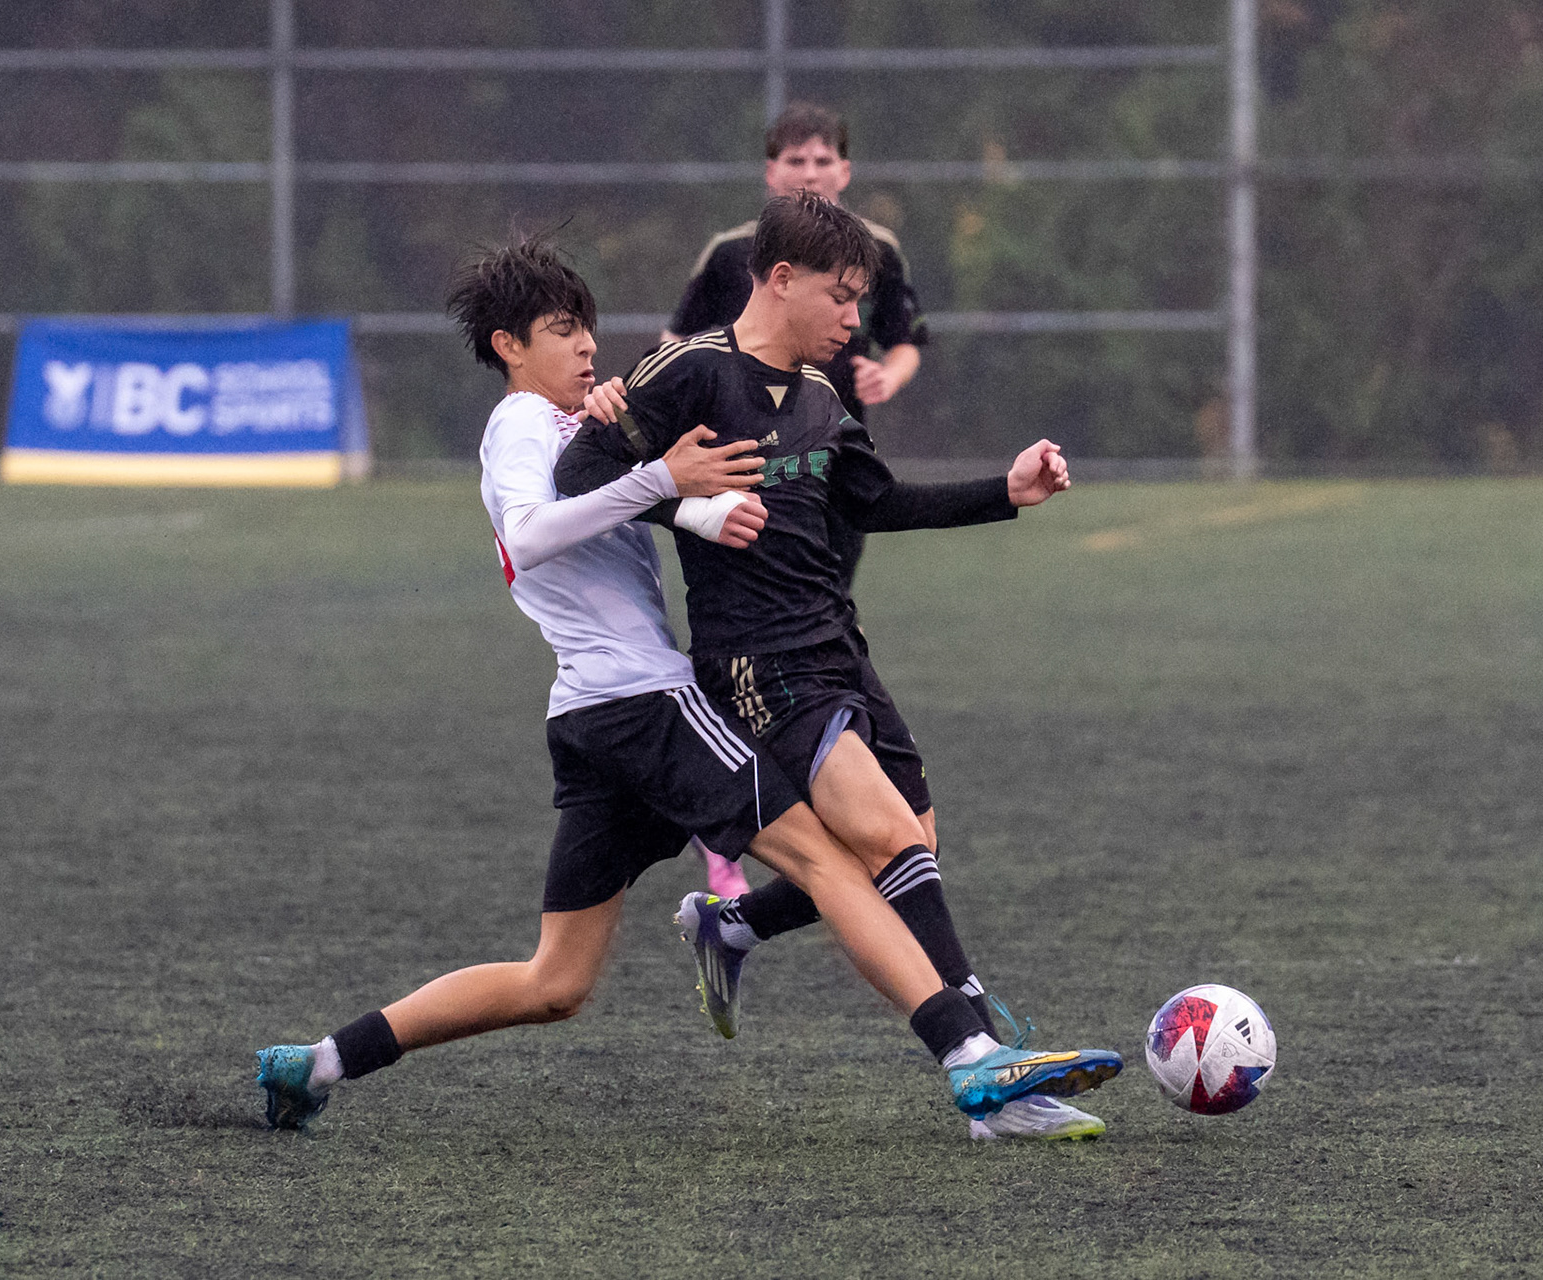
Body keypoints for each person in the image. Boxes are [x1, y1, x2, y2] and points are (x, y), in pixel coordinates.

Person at [251, 234, 1120, 1133]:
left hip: (593, 715)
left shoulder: (576, 419)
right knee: (831, 859)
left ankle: (317, 1062)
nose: (587, 345)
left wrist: (671, 488)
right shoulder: (519, 424)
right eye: (562, 331)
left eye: (586, 327)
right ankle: (971, 1058)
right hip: (648, 703)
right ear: (510, 346)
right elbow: (529, 536)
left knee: (555, 982)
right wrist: (664, 478)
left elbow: (636, 488)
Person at [558, 194, 1110, 1141]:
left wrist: (1007, 492)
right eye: (842, 296)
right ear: (781, 280)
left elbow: (875, 501)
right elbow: (577, 481)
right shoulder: (688, 372)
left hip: (838, 650)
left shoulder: (821, 397)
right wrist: (683, 505)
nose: (856, 319)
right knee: (889, 838)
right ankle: (987, 1066)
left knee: (912, 844)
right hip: (754, 662)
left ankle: (732, 927)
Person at [665, 102, 930, 896]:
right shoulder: (732, 255)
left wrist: (888, 375)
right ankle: (728, 811)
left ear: (845, 171)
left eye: (822, 161)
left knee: (821, 624)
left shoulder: (876, 250)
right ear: (770, 173)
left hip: (834, 471)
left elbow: (907, 340)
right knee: (751, 637)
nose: (809, 174)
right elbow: (678, 345)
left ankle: (812, 799)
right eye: (795, 161)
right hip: (745, 471)